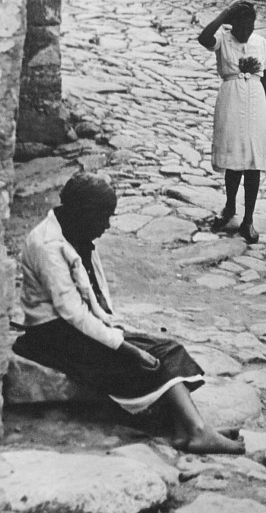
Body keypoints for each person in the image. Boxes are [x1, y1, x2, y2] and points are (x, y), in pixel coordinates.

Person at [13, 172, 244, 454]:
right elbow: (72, 313)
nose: (108, 225)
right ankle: (195, 430)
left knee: (165, 349)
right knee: (152, 357)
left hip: (75, 328)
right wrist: (126, 348)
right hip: (53, 337)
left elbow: (91, 303)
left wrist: (116, 332)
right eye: (104, 217)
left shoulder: (74, 231)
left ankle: (191, 428)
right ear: (85, 214)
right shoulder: (47, 245)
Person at [198, 0, 266, 244]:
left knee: (254, 160)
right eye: (242, 27)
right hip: (231, 98)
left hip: (255, 100)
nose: (247, 32)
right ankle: (230, 206)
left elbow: (265, 78)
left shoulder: (260, 43)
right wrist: (224, 14)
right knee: (234, 157)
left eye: (251, 26)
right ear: (231, 25)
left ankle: (248, 220)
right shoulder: (223, 40)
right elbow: (204, 38)